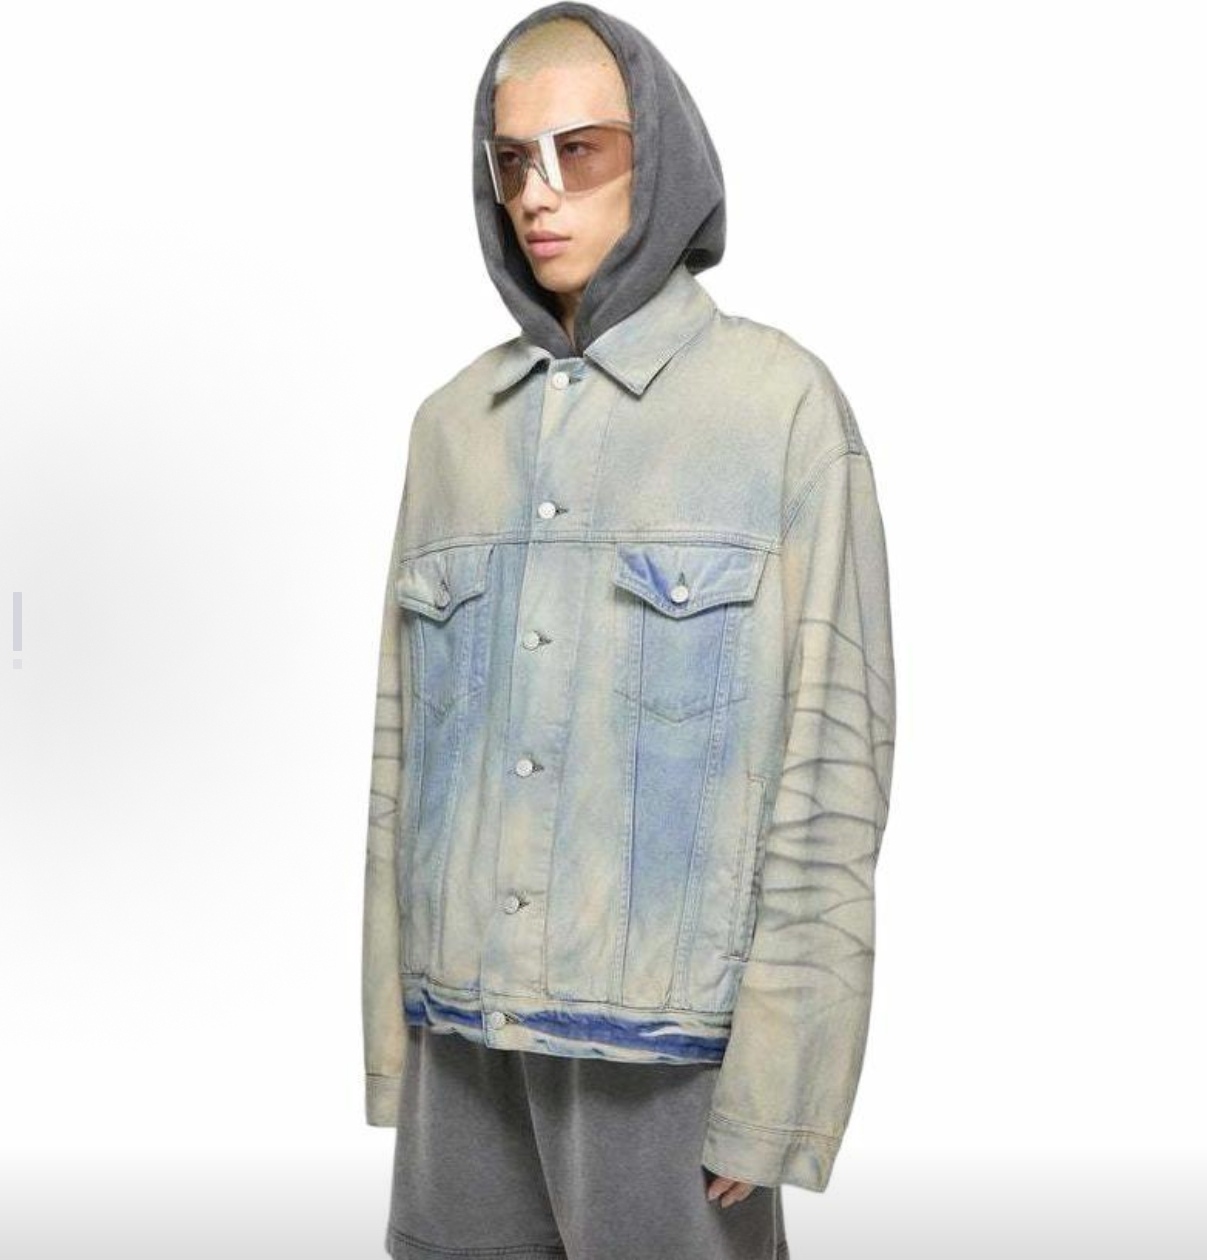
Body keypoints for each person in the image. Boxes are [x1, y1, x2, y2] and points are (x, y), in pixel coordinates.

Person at [360, 4, 897, 1258]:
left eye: (580, 151)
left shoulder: (779, 408)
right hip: (460, 1047)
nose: (537, 194)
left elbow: (834, 767)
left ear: (660, 159)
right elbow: (400, 764)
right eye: (511, 160)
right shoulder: (453, 427)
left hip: (670, 1061)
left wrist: (780, 1084)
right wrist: (393, 1038)